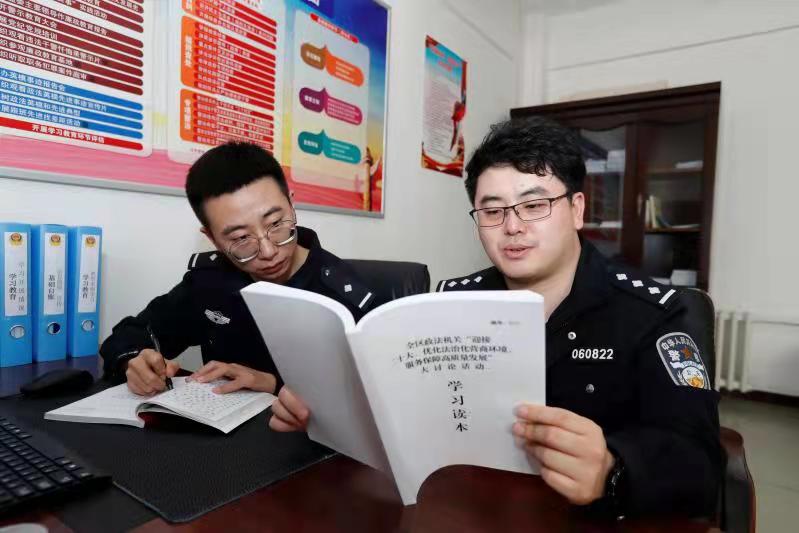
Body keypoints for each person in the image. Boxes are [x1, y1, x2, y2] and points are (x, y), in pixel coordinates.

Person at [271, 117, 723, 519]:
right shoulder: (450, 302)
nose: (512, 227)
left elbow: (700, 463)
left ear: (577, 209)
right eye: (492, 210)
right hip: (468, 508)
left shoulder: (654, 313)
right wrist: (331, 412)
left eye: (534, 205)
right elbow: (414, 418)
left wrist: (613, 469)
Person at [100, 141, 379, 396]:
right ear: (212, 238)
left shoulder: (346, 296)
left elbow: (375, 392)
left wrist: (275, 385)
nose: (268, 252)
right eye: (241, 239)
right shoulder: (210, 282)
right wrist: (134, 362)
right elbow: (129, 335)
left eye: (276, 224)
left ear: (291, 205)